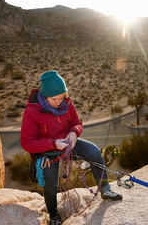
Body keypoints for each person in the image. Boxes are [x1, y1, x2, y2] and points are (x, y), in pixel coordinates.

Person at [20, 70, 122, 225]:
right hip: (48, 152)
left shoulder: (67, 103)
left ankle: (105, 189)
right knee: (51, 185)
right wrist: (53, 143)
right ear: (44, 95)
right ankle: (54, 216)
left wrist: (74, 133)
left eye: (62, 97)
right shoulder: (32, 112)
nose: (59, 102)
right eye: (54, 99)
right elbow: (27, 143)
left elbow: (77, 123)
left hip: (68, 144)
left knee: (94, 151)